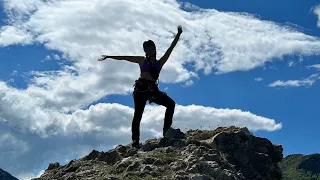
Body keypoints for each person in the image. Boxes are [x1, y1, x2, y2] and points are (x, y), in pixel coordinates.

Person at [97, 25, 183, 148]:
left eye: (151, 48)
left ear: (154, 49)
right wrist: (109, 57)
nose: (149, 51)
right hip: (141, 89)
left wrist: (178, 34)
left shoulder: (160, 62)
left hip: (153, 90)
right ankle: (135, 141)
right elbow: (125, 57)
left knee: (171, 104)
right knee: (138, 114)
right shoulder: (141, 60)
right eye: (146, 49)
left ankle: (166, 131)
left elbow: (171, 48)